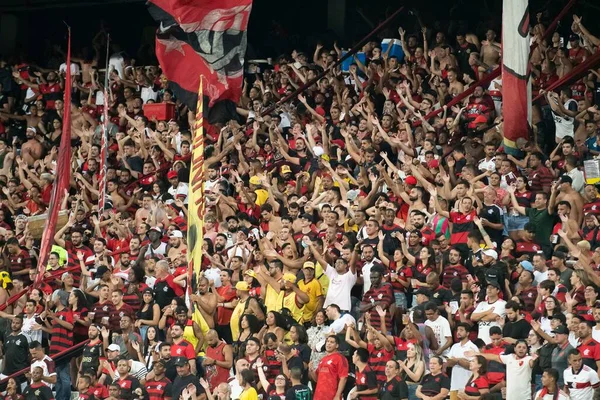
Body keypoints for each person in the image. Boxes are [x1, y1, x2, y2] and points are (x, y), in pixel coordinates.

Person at [466, 340, 536, 400]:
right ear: (515, 349)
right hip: (510, 397)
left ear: (526, 350)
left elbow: (532, 363)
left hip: (524, 397)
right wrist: (477, 353)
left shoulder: (529, 359)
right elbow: (493, 357)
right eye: (519, 347)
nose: (521, 349)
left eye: (524, 348)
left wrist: (536, 359)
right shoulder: (509, 358)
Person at [310, 335, 348, 400]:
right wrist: (311, 370)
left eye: (332, 342)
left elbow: (343, 378)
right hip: (318, 396)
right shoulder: (323, 359)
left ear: (337, 345)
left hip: (332, 396)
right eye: (327, 341)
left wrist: (338, 395)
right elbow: (316, 379)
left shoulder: (340, 358)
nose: (328, 343)